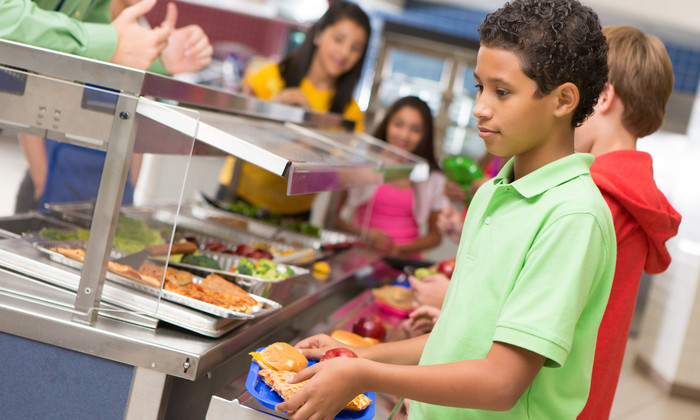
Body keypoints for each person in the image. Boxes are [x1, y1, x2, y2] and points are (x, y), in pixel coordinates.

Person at [274, 1, 615, 420]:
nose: (480, 108)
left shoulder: (572, 217)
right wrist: (353, 354)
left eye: (502, 91)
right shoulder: (492, 193)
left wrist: (364, 374)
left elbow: (500, 382)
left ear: (563, 99)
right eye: (479, 88)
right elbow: (453, 341)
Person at [7, 0, 213, 212]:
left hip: (106, 188)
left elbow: (134, 126)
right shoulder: (91, 24)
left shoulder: (128, 28)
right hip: (54, 177)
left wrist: (161, 61)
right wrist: (42, 179)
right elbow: (38, 87)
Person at [574, 26, 682, 420]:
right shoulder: (635, 195)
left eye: (573, 92)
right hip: (589, 402)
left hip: (549, 403)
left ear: (602, 96)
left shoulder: (594, 199)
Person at [216, 1, 370, 219]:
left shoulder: (351, 111)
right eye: (339, 39)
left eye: (355, 48)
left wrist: (311, 126)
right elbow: (229, 130)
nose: (345, 53)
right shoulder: (269, 75)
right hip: (238, 196)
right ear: (318, 35)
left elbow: (345, 176)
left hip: (295, 214)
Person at [333, 96, 448, 258]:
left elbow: (435, 237)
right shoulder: (363, 165)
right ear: (387, 124)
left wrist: (400, 249)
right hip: (358, 257)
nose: (404, 135)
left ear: (425, 135)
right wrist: (365, 234)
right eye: (398, 125)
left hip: (403, 262)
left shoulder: (433, 177)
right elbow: (334, 219)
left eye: (415, 130)